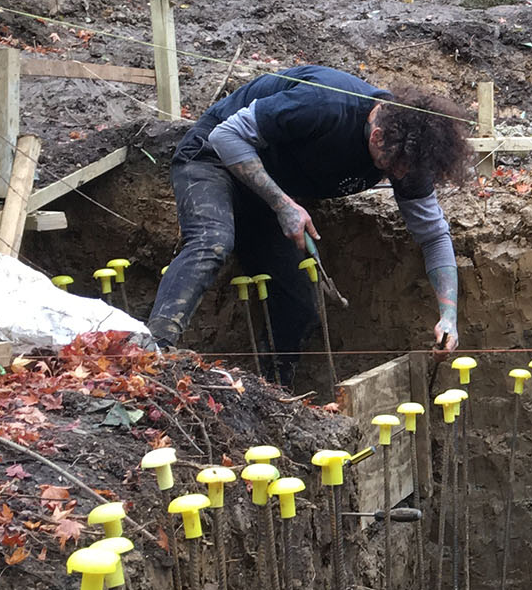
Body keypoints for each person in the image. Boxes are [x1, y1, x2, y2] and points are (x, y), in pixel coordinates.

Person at [146, 65, 467, 377]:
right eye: (393, 167)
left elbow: (434, 236)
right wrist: (283, 204)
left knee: (298, 308)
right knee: (212, 240)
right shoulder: (324, 106)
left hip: (263, 189)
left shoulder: (408, 156)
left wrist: (448, 316)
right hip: (210, 158)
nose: (398, 177)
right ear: (378, 136)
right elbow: (225, 136)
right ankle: (152, 355)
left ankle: (270, 400)